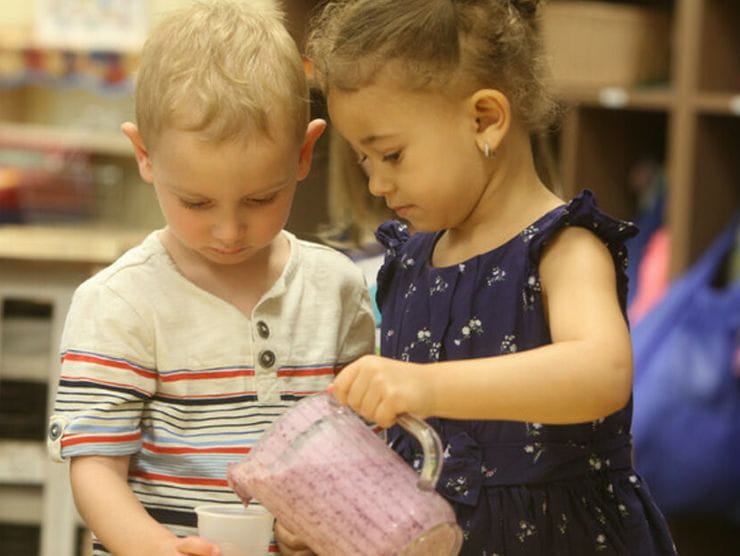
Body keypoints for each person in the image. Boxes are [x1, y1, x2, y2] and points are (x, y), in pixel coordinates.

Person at [304, 0, 679, 554]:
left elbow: (602, 371)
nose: (378, 184)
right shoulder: (408, 259)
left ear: (485, 119)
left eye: (392, 154)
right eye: (365, 160)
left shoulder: (563, 246)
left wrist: (427, 386)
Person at [46, 2, 376, 555]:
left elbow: (358, 443)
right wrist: (152, 548)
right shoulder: (119, 302)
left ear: (304, 153)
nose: (228, 230)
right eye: (197, 201)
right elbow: (96, 471)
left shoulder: (337, 289)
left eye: (259, 198)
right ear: (144, 156)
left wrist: (326, 515)